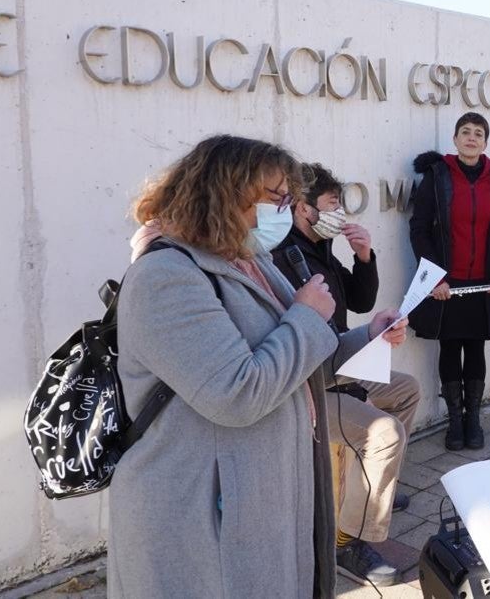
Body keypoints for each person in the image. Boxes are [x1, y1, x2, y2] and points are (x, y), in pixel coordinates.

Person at [112, 135, 407, 599]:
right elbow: (237, 393)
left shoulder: (249, 260)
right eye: (276, 198)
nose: (286, 211)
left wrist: (369, 335)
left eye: (289, 199)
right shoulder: (165, 277)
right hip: (203, 516)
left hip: (258, 498)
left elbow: (304, 364)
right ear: (226, 192)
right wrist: (307, 315)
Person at [272, 163, 419, 587]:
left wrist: (364, 256)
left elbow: (359, 298)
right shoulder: (284, 255)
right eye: (332, 205)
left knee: (406, 389)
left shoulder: (320, 247)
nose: (340, 213)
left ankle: (375, 492)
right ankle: (344, 540)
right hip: (308, 382)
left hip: (339, 361)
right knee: (383, 431)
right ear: (303, 209)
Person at [409, 112, 490, 450]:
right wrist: (436, 277)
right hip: (448, 283)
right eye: (465, 132)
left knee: (475, 347)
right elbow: (419, 230)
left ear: (486, 143)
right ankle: (455, 422)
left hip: (484, 281)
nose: (472, 138)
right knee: (449, 346)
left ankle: (473, 419)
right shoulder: (437, 176)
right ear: (455, 139)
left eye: (478, 133)